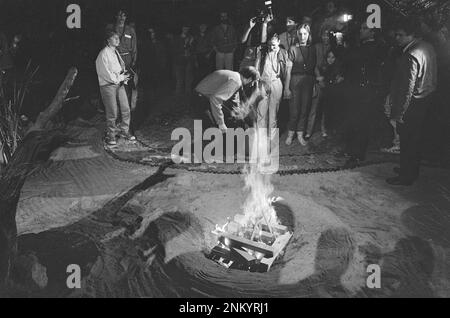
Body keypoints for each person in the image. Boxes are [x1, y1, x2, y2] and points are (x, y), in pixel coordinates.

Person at [386, 18, 437, 186]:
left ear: (411, 35)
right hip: (426, 101)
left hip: (412, 104)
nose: (397, 38)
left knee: (408, 140)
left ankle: (406, 175)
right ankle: (410, 170)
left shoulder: (411, 54)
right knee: (414, 140)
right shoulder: (428, 47)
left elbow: (407, 87)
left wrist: (399, 114)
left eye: (400, 35)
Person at [342, 21, 386, 167]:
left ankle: (355, 154)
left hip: (364, 91)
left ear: (373, 32)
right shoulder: (364, 47)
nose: (361, 30)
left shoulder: (374, 49)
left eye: (364, 28)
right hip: (359, 89)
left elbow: (354, 63)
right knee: (358, 122)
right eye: (361, 27)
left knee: (360, 123)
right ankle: (355, 152)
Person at [95, 30, 136, 146]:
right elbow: (105, 73)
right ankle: (111, 135)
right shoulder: (103, 54)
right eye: (114, 38)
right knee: (113, 111)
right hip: (108, 86)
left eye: (118, 38)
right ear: (108, 40)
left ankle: (125, 131)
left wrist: (125, 76)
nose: (117, 40)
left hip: (120, 84)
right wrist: (120, 78)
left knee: (126, 108)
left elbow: (119, 69)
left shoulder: (115, 52)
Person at [194, 66, 260, 132]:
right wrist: (221, 123)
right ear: (249, 79)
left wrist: (237, 111)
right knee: (213, 130)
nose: (252, 84)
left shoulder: (236, 76)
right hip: (200, 99)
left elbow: (233, 99)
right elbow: (215, 99)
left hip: (202, 96)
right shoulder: (236, 82)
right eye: (253, 82)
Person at [284, 24, 317, 146]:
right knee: (294, 109)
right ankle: (290, 134)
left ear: (309, 35)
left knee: (304, 109)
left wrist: (313, 85)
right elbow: (288, 70)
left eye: (305, 34)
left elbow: (313, 69)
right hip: (295, 80)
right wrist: (287, 88)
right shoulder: (293, 49)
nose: (302, 36)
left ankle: (300, 134)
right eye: (300, 34)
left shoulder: (312, 49)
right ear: (297, 35)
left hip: (308, 81)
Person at [255, 34, 288, 140]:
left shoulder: (283, 53)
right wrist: (257, 84)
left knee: (273, 114)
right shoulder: (262, 52)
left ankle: (271, 139)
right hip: (263, 83)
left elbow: (287, 72)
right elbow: (256, 68)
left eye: (273, 45)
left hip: (276, 83)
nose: (271, 47)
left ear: (278, 42)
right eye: (269, 45)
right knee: (261, 112)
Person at [106, 10, 138, 109]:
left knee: (126, 86)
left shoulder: (130, 30)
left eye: (124, 15)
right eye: (119, 15)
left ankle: (127, 110)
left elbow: (134, 47)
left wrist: (133, 62)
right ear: (116, 16)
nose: (121, 18)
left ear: (126, 17)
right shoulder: (110, 28)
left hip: (127, 59)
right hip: (114, 58)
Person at [173, 24, 195, 98]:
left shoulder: (191, 38)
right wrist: (186, 45)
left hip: (188, 60)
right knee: (179, 79)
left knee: (188, 78)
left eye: (187, 28)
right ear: (182, 28)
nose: (186, 29)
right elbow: (175, 49)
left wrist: (190, 45)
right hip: (179, 61)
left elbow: (193, 50)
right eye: (184, 27)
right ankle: (178, 95)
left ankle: (187, 95)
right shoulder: (176, 38)